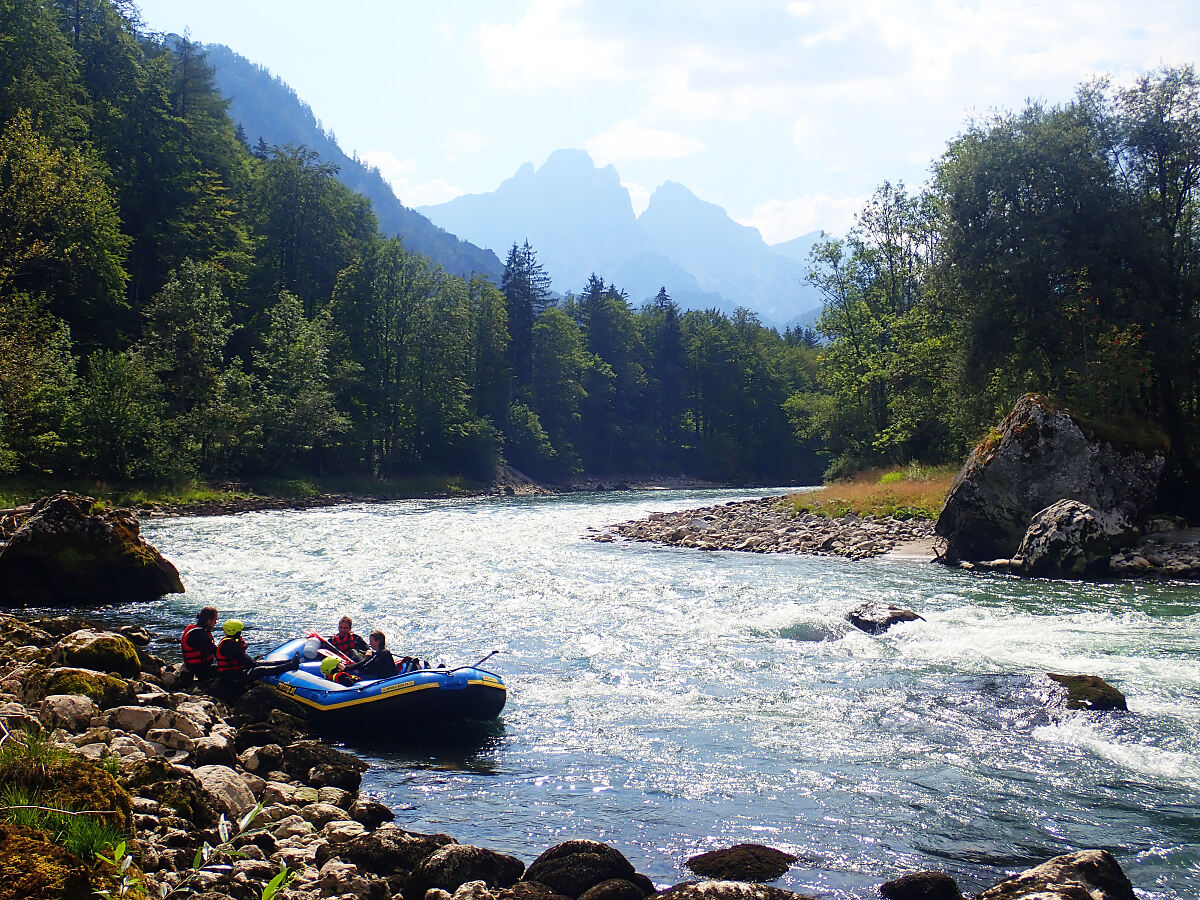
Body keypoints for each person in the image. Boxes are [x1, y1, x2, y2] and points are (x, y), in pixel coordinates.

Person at [215, 620, 298, 689]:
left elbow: (246, 660)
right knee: (260, 670)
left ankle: (289, 661)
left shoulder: (229, 642)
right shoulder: (230, 645)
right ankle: (291, 666)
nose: (241, 633)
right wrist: (255, 663)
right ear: (235, 631)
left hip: (234, 674)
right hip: (233, 679)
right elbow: (250, 664)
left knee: (259, 663)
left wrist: (255, 662)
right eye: (240, 631)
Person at [180, 606, 219, 679]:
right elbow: (216, 652)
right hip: (200, 669)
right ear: (208, 620)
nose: (215, 623)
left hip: (192, 665)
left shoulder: (194, 629)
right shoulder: (201, 635)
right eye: (214, 620)